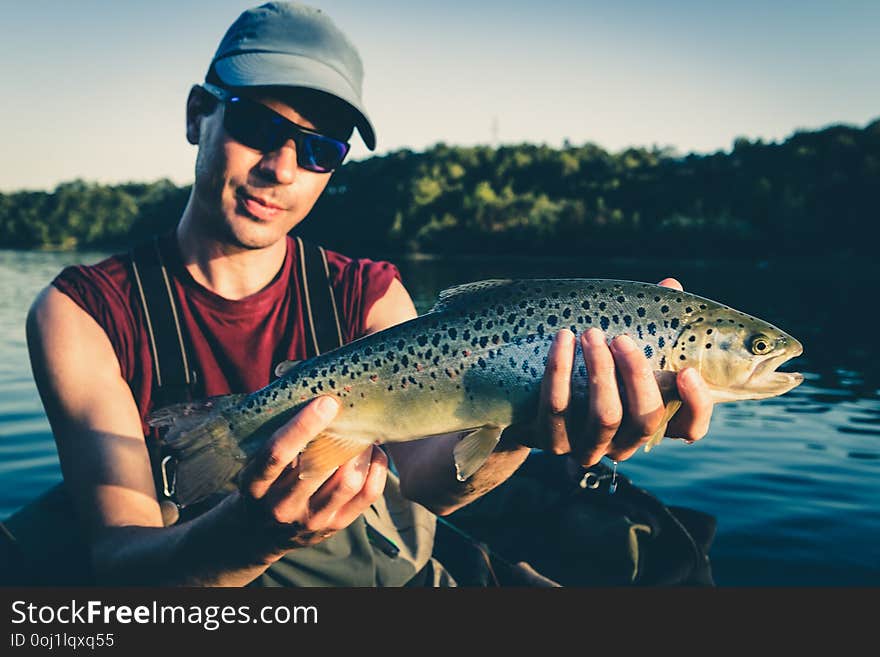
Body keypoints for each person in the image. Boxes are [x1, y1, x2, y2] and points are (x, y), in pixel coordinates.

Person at [25, 1, 715, 586]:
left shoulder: (368, 292)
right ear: (197, 116)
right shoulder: (82, 310)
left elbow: (420, 479)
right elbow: (117, 564)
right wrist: (251, 536)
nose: (282, 167)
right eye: (259, 127)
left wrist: (516, 429)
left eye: (320, 149)